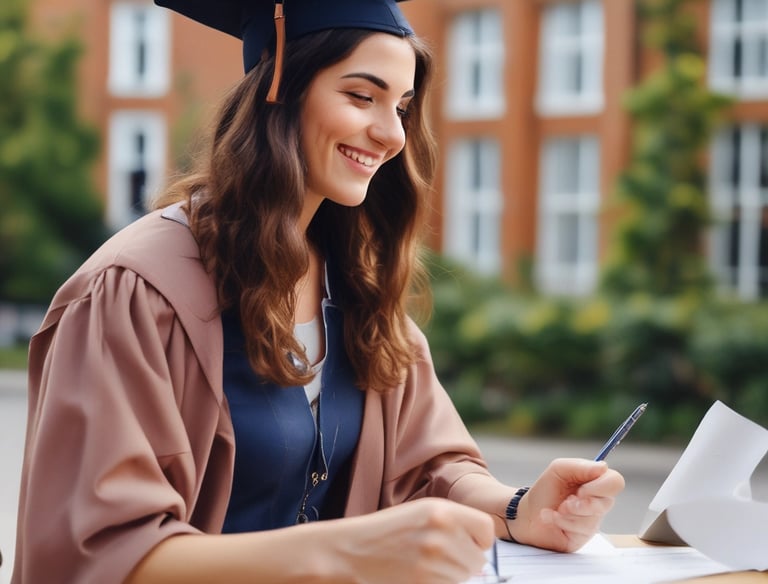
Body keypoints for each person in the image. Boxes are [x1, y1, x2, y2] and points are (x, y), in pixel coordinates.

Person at [12, 1, 625, 582]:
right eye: (362, 96)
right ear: (280, 88)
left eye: (404, 108)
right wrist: (347, 549)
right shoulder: (136, 293)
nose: (391, 135)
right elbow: (99, 552)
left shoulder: (352, 284)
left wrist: (520, 510)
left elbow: (427, 472)